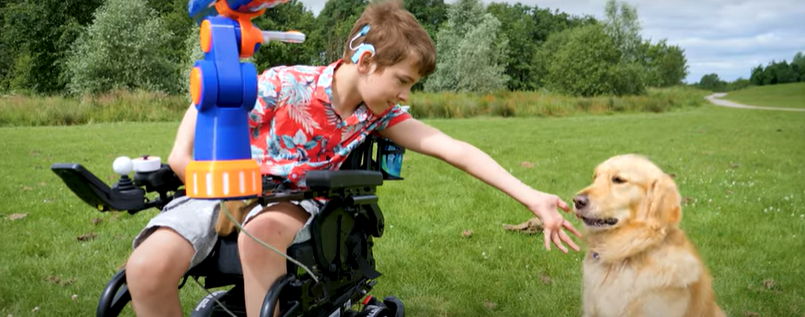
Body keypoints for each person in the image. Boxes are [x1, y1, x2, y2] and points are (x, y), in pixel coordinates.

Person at [124, 0, 582, 316]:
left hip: (286, 201)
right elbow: (215, 95)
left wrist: (531, 197)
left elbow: (453, 149)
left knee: (259, 234)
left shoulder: (376, 115)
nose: (405, 94)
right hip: (221, 188)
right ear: (365, 60)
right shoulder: (287, 83)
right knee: (146, 267)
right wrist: (183, 156)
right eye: (402, 80)